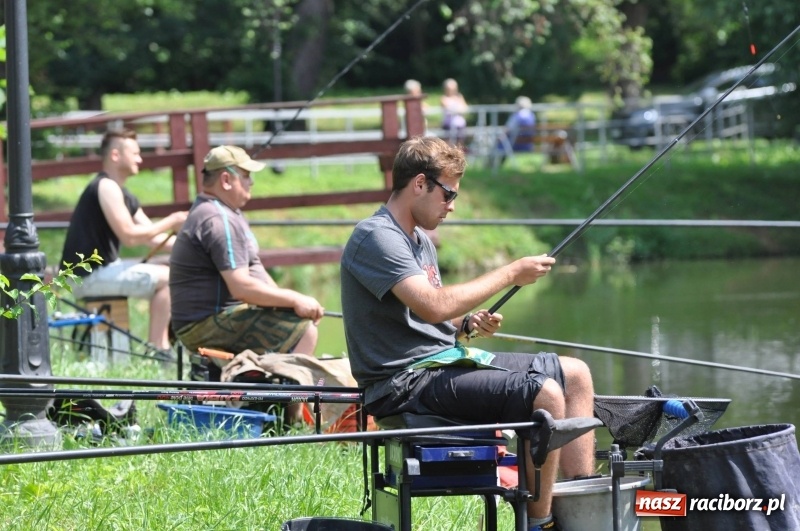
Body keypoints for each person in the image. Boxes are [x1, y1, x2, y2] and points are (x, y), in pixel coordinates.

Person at [340, 136, 595, 531]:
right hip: (404, 383)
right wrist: (511, 273)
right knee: (545, 393)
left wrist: (465, 325)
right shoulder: (376, 236)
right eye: (448, 195)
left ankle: (583, 511)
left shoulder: (419, 239)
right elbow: (434, 304)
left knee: (575, 374)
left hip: (440, 365)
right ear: (420, 184)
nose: (452, 206)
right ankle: (541, 524)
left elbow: (433, 316)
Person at [169, 145, 324, 365]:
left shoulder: (223, 212)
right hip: (202, 325)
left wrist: (286, 301)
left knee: (295, 319)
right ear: (226, 180)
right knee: (303, 330)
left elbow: (254, 271)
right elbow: (241, 287)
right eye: (246, 175)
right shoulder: (218, 219)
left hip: (207, 320)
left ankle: (269, 391)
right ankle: (287, 398)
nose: (251, 182)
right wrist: (296, 299)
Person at [61, 129, 188, 356]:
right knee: (170, 278)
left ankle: (158, 348)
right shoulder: (105, 186)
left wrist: (193, 247)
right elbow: (129, 236)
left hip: (102, 272)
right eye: (135, 153)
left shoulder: (123, 194)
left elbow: (153, 238)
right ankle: (158, 350)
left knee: (170, 275)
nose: (140, 159)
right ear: (116, 155)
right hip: (87, 277)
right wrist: (171, 220)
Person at [496, 95, 537, 166]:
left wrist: (499, 137)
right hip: (528, 145)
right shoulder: (531, 116)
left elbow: (508, 129)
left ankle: (493, 165)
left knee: (501, 143)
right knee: (505, 143)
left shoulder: (516, 116)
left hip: (515, 144)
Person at [440, 78, 468, 145]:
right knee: (448, 143)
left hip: (460, 124)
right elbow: (448, 108)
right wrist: (458, 109)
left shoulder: (459, 96)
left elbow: (465, 108)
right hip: (448, 124)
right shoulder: (443, 98)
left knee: (460, 144)